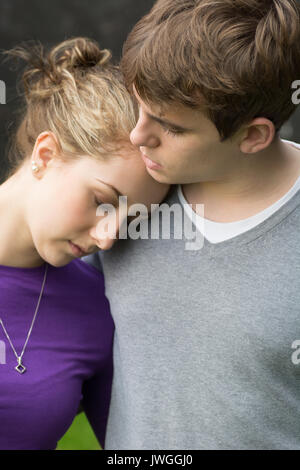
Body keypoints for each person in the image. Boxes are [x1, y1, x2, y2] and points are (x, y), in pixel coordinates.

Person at [85, 0, 300, 449]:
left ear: (253, 136)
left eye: (172, 128)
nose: (137, 136)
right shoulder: (120, 192)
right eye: (138, 107)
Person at [0, 37, 169, 450]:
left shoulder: (95, 308)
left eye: (129, 222)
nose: (107, 238)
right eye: (102, 202)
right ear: (45, 154)